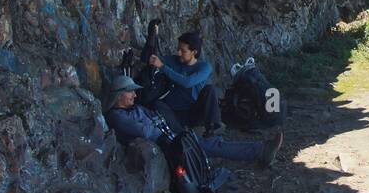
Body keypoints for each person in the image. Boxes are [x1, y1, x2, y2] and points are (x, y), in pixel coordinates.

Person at [103, 75, 281, 168]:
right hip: (167, 146)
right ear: (119, 95)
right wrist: (155, 122)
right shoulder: (117, 116)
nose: (135, 94)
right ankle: (260, 151)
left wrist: (155, 120)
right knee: (211, 147)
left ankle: (258, 150)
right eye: (130, 92)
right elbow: (145, 131)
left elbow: (151, 118)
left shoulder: (133, 109)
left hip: (171, 137)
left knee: (211, 144)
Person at [148, 30, 224, 134]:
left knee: (210, 90)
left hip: (193, 111)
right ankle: (182, 135)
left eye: (183, 51)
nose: (179, 53)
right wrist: (151, 36)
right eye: (178, 49)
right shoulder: (173, 60)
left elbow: (188, 82)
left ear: (194, 52)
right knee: (157, 104)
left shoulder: (204, 67)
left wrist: (162, 67)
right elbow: (150, 58)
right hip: (174, 111)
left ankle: (212, 130)